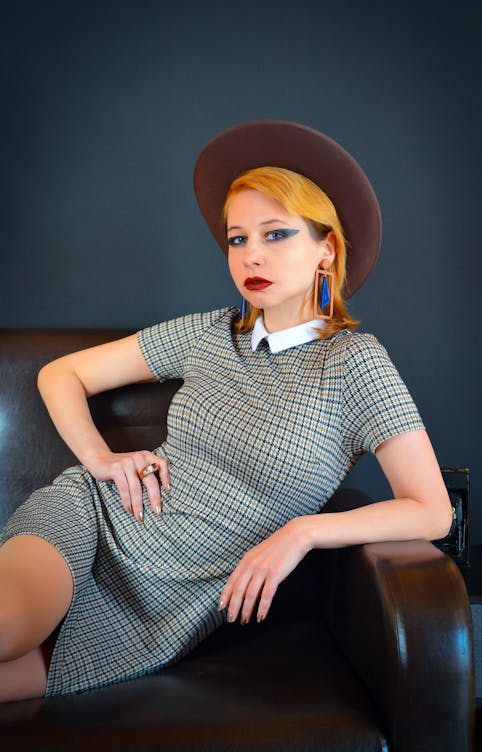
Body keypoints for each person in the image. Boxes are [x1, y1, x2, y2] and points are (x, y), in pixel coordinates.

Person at [0, 120, 453, 702]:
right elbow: (60, 373)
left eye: (275, 234)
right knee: (9, 624)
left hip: (169, 605)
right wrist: (101, 460)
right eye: (238, 239)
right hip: (92, 519)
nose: (250, 255)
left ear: (326, 248)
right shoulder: (210, 333)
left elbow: (431, 511)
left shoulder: (355, 363)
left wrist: (304, 532)